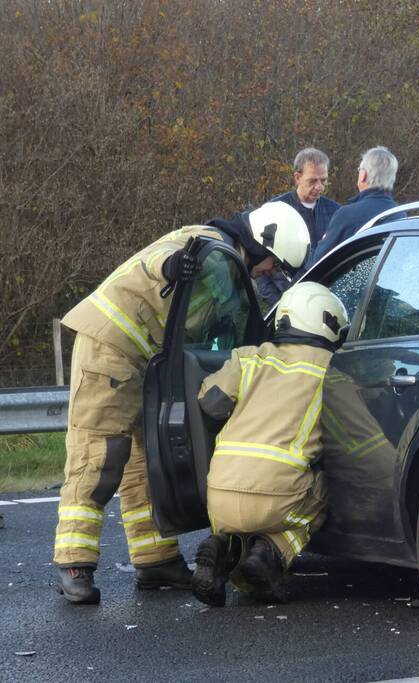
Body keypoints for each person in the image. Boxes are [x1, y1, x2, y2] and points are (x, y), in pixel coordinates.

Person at [53, 201, 311, 604]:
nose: (269, 272)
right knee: (98, 455)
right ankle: (74, 563)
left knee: (146, 465)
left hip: (148, 364)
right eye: (273, 264)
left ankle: (155, 560)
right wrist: (172, 267)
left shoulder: (226, 268)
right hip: (110, 348)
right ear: (261, 245)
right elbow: (157, 261)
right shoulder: (203, 243)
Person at [190, 282, 348, 607]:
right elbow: (354, 439)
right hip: (279, 498)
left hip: (219, 495)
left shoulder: (249, 357)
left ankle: (223, 547)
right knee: (325, 488)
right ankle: (273, 553)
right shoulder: (332, 369)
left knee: (238, 520)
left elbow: (211, 403)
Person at [257, 148, 341, 306]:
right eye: (313, 181)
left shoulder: (336, 213)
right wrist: (279, 306)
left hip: (327, 302)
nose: (319, 187)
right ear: (297, 177)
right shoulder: (275, 211)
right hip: (285, 302)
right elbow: (260, 266)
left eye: (323, 180)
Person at [307, 146, 406, 268]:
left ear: (363, 175)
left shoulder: (347, 215)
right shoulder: (400, 215)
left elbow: (316, 264)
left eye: (359, 169)